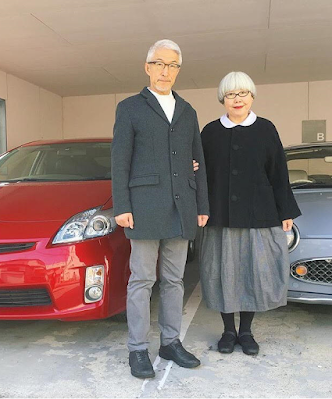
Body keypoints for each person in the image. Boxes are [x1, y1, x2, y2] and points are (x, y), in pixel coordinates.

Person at [111, 39, 209, 379]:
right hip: (143, 207)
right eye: (159, 63)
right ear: (147, 67)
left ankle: (170, 342)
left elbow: (199, 159)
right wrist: (121, 206)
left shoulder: (188, 110)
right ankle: (137, 349)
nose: (165, 71)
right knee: (142, 280)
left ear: (178, 70)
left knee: (174, 280)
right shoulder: (129, 107)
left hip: (182, 207)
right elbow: (120, 161)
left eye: (172, 65)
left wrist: (202, 205)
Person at [199, 71, 301, 356]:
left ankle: (246, 331)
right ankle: (228, 331)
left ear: (252, 96)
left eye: (242, 93)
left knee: (251, 273)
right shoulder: (210, 132)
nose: (237, 99)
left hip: (259, 214)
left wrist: (285, 210)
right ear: (223, 99)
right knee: (223, 273)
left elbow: (278, 172)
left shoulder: (266, 129)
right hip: (220, 215)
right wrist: (200, 207)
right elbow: (200, 174)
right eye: (231, 94)